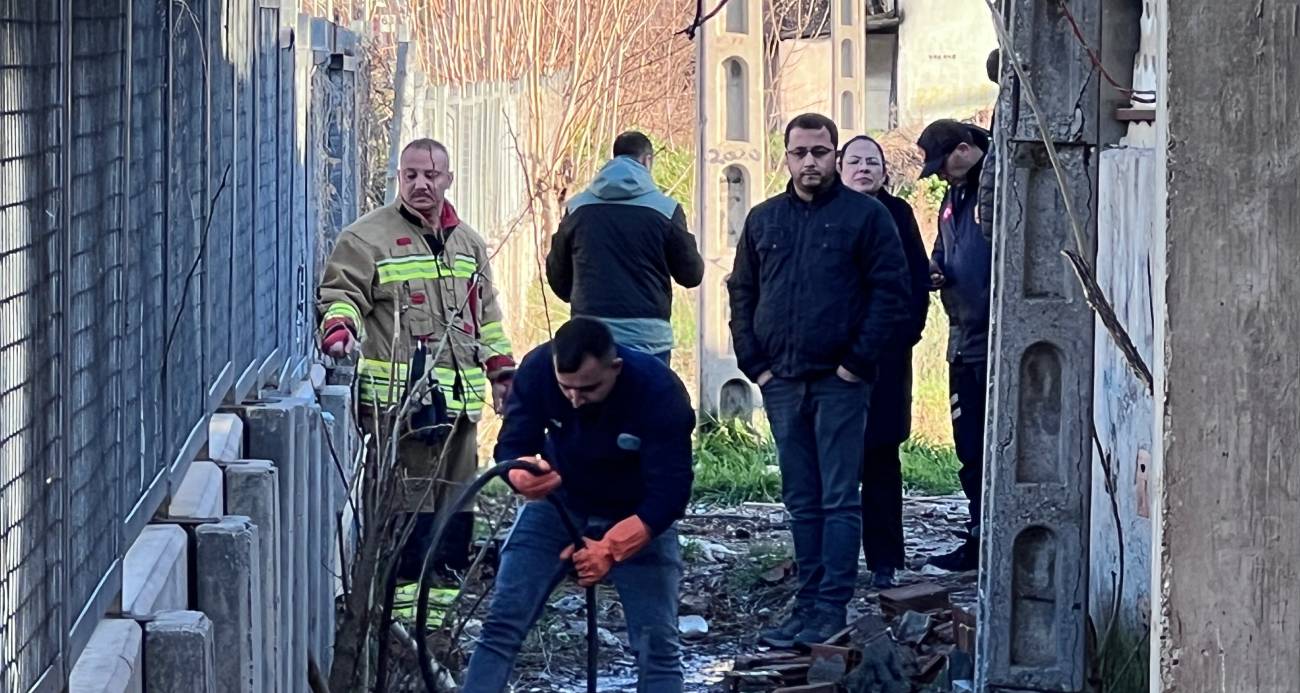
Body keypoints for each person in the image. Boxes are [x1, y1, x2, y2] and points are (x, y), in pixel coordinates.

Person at [728, 113, 911, 647]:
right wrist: (754, 364)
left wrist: (856, 363)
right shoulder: (764, 220)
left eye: (820, 152)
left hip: (840, 383)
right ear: (785, 157)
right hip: (782, 381)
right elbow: (742, 292)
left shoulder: (865, 218)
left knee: (838, 499)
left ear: (834, 155)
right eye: (800, 152)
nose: (810, 162)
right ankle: (805, 606)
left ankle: (832, 607)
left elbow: (891, 293)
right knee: (801, 499)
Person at [316, 138, 516, 580]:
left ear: (448, 179)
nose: (420, 184)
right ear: (399, 178)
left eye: (431, 175)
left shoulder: (469, 244)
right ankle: (398, 627)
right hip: (400, 414)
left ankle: (435, 632)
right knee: (408, 520)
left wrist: (501, 371)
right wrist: (339, 329)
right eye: (411, 175)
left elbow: (487, 315)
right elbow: (341, 294)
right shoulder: (366, 238)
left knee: (455, 520)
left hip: (460, 412)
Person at [462, 317, 696, 692]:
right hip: (559, 504)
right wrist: (522, 477)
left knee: (658, 645)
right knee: (502, 623)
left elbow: (671, 492)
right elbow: (512, 445)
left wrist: (610, 547)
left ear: (614, 368)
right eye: (565, 387)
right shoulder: (538, 369)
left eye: (588, 388)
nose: (574, 398)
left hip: (637, 511)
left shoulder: (658, 391)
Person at [837, 135, 931, 589]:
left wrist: (904, 336)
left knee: (880, 457)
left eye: (872, 162)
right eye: (854, 161)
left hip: (887, 359)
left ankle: (885, 560)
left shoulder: (898, 215)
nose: (863, 169)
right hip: (831, 360)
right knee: (833, 464)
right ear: (839, 168)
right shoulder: (824, 213)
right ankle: (830, 562)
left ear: (883, 171)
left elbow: (916, 281)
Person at [546, 131, 704, 364]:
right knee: (646, 400)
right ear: (647, 160)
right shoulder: (665, 209)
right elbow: (692, 275)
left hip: (590, 337)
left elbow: (557, 275)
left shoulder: (577, 208)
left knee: (593, 399)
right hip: (649, 342)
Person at [916, 119, 993, 572]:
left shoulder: (999, 186)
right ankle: (975, 534)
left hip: (995, 345)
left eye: (942, 163)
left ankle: (992, 537)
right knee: (968, 448)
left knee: (989, 448)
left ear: (965, 149)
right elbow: (942, 249)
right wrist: (936, 268)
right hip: (962, 342)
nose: (940, 174)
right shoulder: (954, 196)